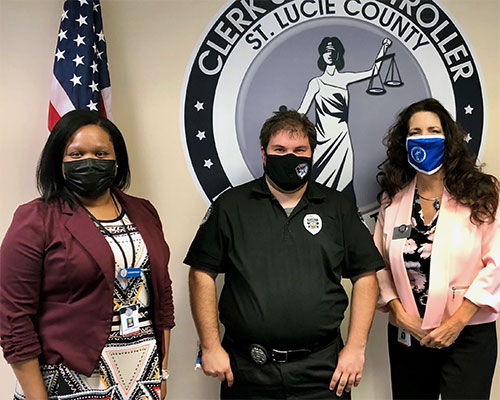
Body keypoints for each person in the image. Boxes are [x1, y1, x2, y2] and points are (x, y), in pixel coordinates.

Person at [185, 110, 384, 399]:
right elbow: (201, 273)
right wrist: (210, 345)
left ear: (312, 154)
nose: (289, 157)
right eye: (279, 150)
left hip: (322, 371)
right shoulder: (231, 206)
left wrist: (355, 348)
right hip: (249, 368)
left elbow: (366, 276)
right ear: (264, 154)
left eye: (299, 150)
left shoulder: (338, 207)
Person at [0, 109, 174, 400]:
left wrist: (162, 373)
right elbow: (14, 319)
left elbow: (162, 296)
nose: (90, 162)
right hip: (65, 384)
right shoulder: (36, 219)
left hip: (142, 380)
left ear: (117, 161)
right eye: (76, 155)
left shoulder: (144, 211)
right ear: (59, 162)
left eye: (101, 153)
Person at [374, 98, 500, 399]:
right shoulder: (392, 199)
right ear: (404, 142)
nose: (424, 138)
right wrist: (398, 313)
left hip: (467, 333)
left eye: (433, 130)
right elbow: (378, 263)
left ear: (449, 138)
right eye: (415, 132)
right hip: (409, 332)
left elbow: (496, 261)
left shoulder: (482, 192)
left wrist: (456, 323)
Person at [298, 36, 391, 198]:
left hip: (341, 139)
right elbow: (302, 112)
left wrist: (384, 48)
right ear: (322, 55)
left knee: (344, 181)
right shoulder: (316, 83)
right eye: (326, 50)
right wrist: (284, 119)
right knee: (318, 180)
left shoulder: (345, 79)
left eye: (333, 50)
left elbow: (373, 72)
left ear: (338, 54)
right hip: (322, 140)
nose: (329, 53)